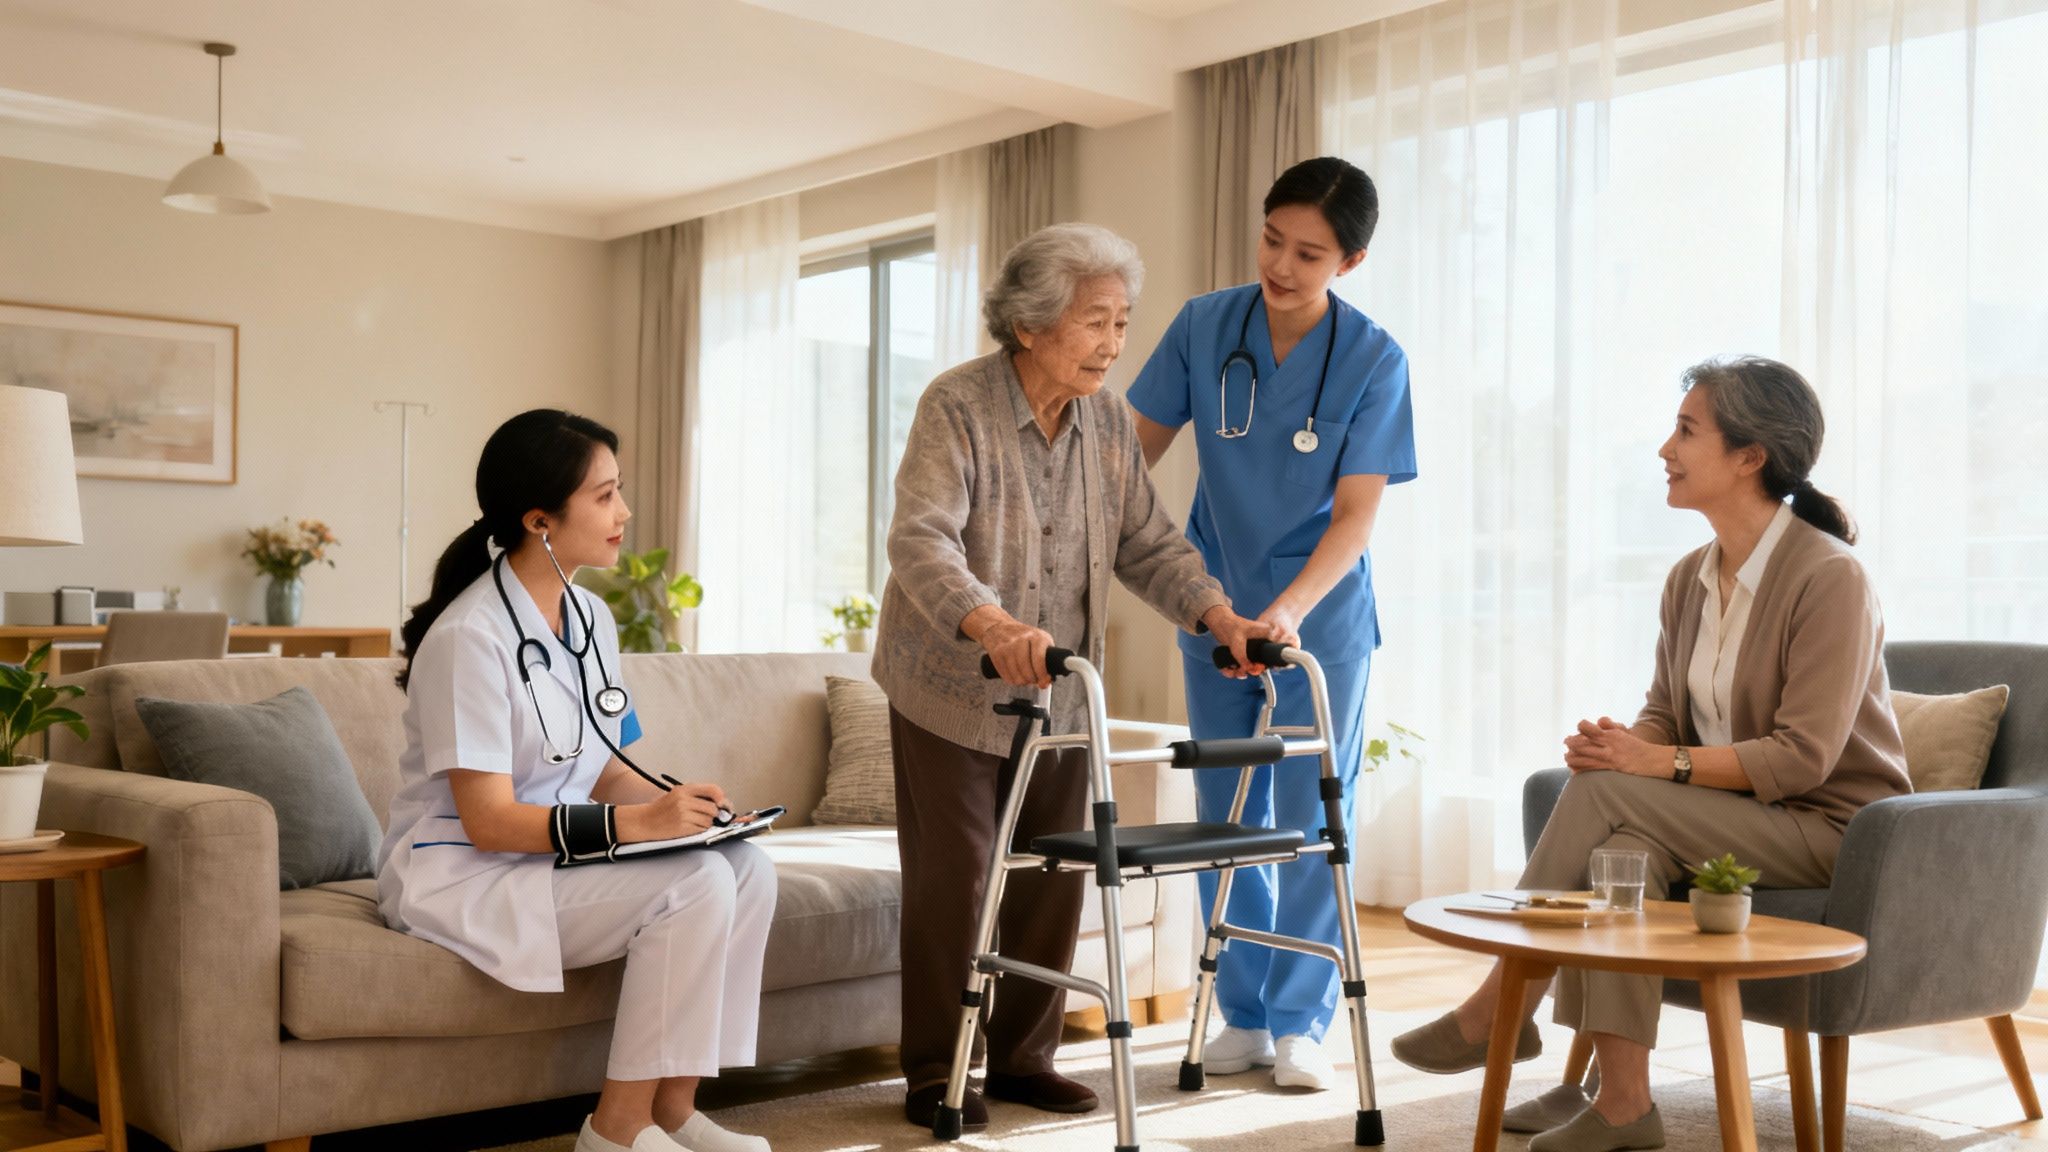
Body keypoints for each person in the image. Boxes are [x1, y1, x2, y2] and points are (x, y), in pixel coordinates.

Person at [1390, 357, 1911, 1152]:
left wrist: (1651, 767)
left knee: (1604, 798)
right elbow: (1668, 712)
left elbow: (1803, 758)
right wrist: (1627, 746)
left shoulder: (1829, 578)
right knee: (1621, 850)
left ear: (1750, 457)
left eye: (1686, 430)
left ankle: (1501, 1002)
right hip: (1735, 817)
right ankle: (1626, 1106)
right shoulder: (1689, 579)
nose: (1665, 447)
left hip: (1828, 828)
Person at [874, 222, 1277, 1131]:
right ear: (1029, 326)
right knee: (960, 875)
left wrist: (1218, 616)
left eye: (1122, 321)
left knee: (1058, 871)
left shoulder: (1106, 423)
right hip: (949, 681)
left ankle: (1024, 1057)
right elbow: (920, 536)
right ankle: (942, 1068)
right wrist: (991, 621)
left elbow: (1145, 540)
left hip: (1057, 688)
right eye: (1095, 321)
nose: (1113, 342)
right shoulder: (958, 406)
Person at [378, 410, 775, 1152]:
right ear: (539, 520)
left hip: (555, 852)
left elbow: (607, 766)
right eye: (604, 496)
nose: (624, 513)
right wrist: (639, 828)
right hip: (462, 870)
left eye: (618, 492)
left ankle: (673, 1111)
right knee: (693, 885)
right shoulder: (469, 638)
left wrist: (682, 810)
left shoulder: (591, 616)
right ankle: (616, 1131)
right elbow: (489, 821)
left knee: (744, 866)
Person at [1124, 156, 1417, 1090]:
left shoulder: (1374, 359)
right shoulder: (1206, 326)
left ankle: (1302, 1019)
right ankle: (1244, 1015)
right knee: (1224, 810)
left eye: (1309, 253)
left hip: (1315, 616)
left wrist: (1286, 611)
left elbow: (1357, 515)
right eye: (1272, 240)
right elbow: (1128, 460)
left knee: (1308, 812)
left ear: (1351, 261)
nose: (1281, 266)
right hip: (1212, 602)